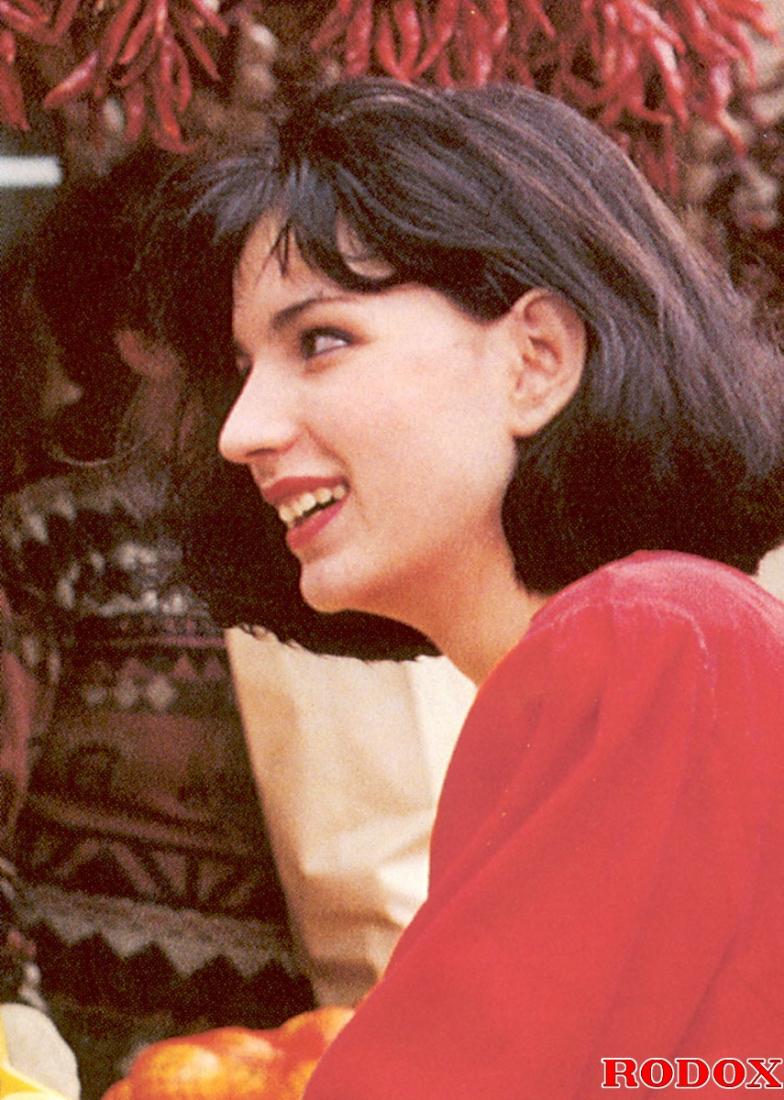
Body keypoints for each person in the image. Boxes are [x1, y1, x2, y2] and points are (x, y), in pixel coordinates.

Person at [134, 79, 784, 1098]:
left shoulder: (649, 636)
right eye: (243, 365)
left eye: (321, 340)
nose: (240, 430)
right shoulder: (641, 642)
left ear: (537, 360)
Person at [0, 152, 315, 1100]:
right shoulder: (57, 540)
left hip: (312, 1057)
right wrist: (21, 1029)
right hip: (88, 1064)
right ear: (145, 340)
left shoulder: (332, 529)